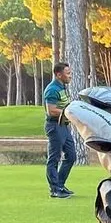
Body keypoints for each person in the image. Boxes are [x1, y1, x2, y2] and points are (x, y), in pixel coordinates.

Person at [44, 61, 75, 199]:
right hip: (54, 126)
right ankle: (55, 189)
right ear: (58, 75)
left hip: (64, 126)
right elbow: (51, 111)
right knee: (54, 158)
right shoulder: (52, 89)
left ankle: (60, 185)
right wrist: (69, 112)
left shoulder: (62, 87)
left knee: (71, 156)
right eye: (67, 73)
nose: (70, 75)